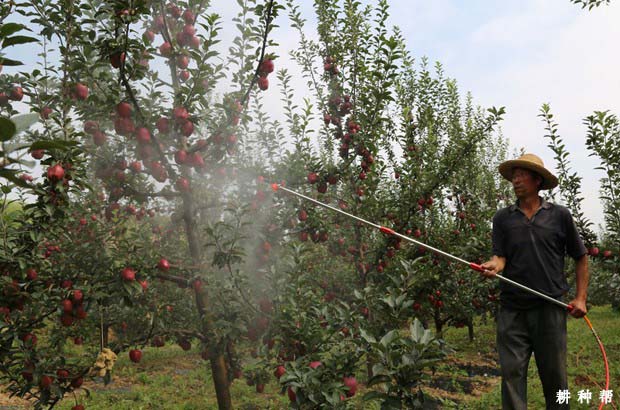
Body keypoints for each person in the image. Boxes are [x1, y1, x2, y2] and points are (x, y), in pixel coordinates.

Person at [481, 153, 589, 410]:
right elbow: (501, 257)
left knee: (555, 378)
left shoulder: (559, 216)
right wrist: (495, 265)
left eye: (521, 175)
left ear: (537, 180)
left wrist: (581, 297)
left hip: (550, 307)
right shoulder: (502, 218)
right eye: (513, 176)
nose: (515, 180)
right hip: (512, 309)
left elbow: (581, 257)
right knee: (511, 376)